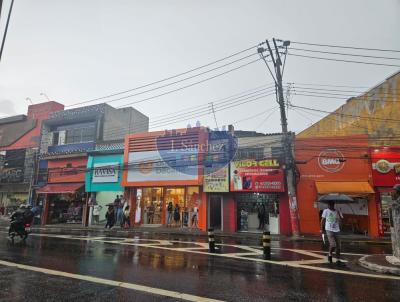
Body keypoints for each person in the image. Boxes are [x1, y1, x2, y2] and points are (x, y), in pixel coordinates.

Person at [321, 201, 343, 265]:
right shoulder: (326, 211)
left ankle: (338, 260)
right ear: (328, 205)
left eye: (332, 204)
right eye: (329, 204)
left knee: (339, 246)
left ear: (333, 204)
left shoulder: (337, 211)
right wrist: (322, 229)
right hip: (329, 229)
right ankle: (330, 254)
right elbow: (322, 220)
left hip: (337, 230)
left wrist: (339, 214)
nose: (330, 205)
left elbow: (340, 220)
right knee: (333, 245)